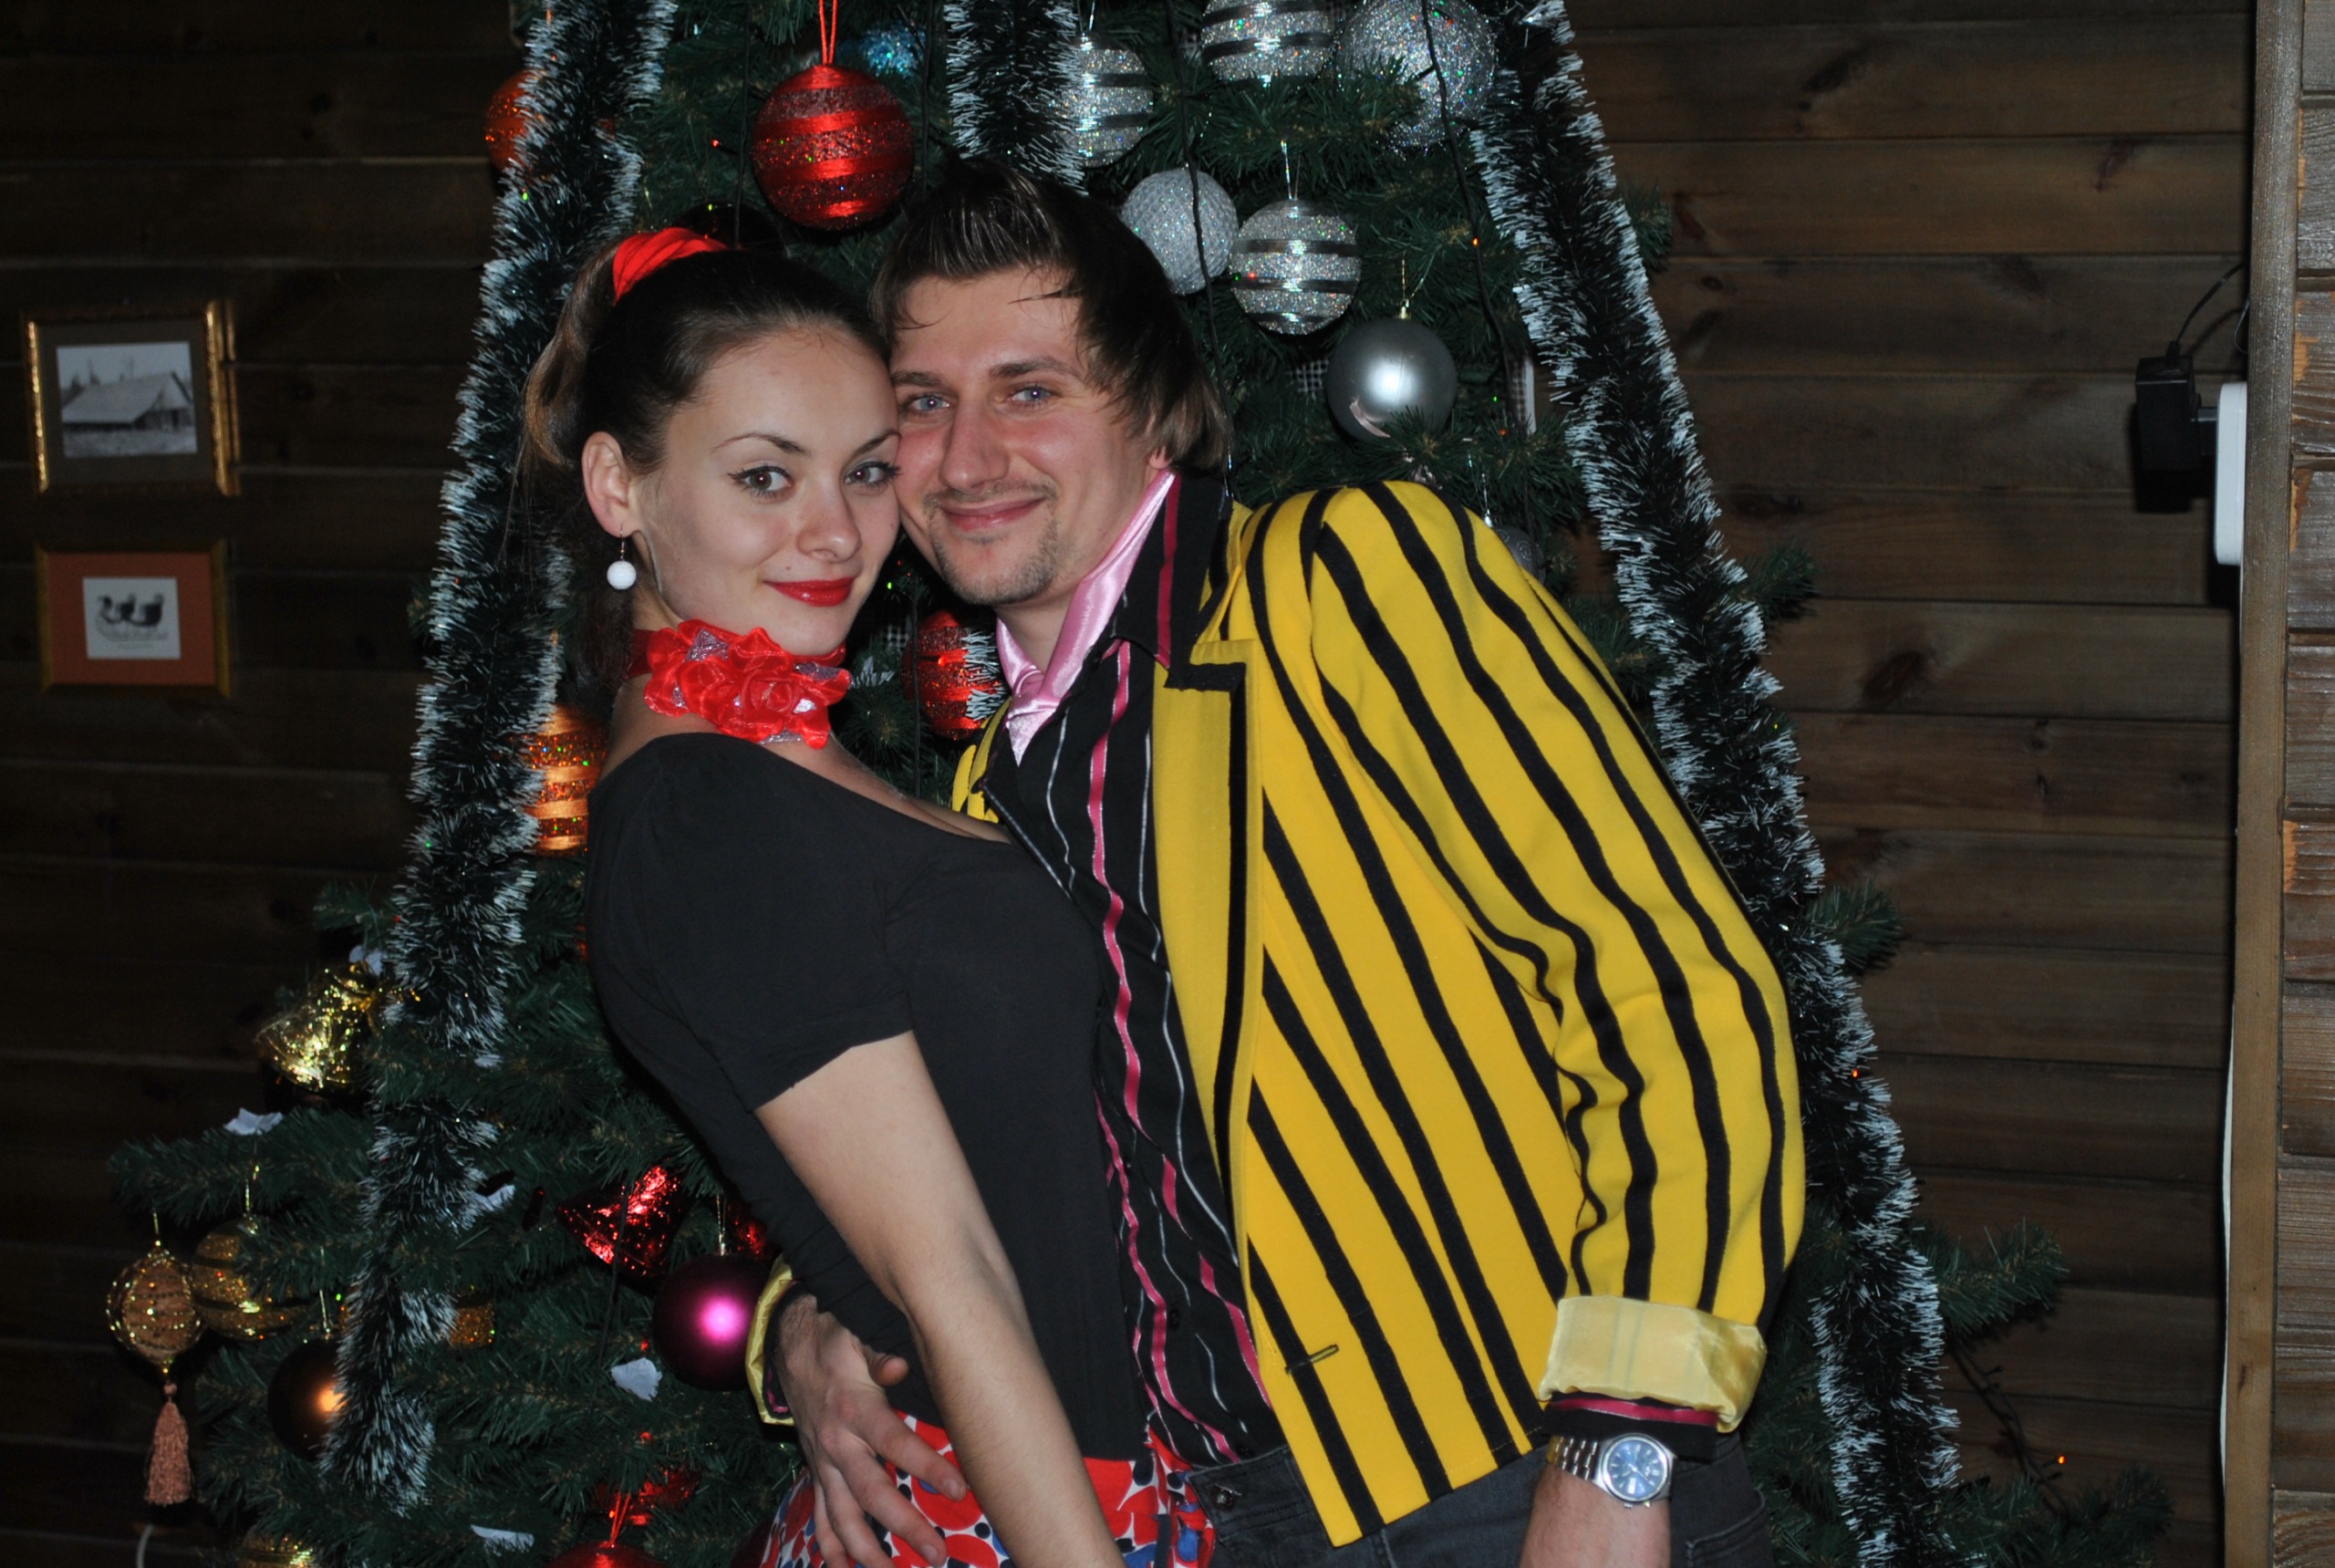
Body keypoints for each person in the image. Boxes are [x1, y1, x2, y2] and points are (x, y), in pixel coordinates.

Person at [773, 161, 1803, 1568]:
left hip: (1515, 1473)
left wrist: (1615, 1458)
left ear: (1154, 410)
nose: (964, 458)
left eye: (1029, 388)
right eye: (922, 402)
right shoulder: (971, 793)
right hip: (1210, 1523)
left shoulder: (1342, 582)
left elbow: (1679, 993)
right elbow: (927, 1173)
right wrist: (805, 1323)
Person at [549, 227, 1213, 1568]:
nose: (836, 533)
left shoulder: (787, 761)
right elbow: (944, 1273)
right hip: (1029, 1509)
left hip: (1082, 1470)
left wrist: (803, 1316)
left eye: (863, 470)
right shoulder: (705, 813)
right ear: (620, 484)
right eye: (764, 475)